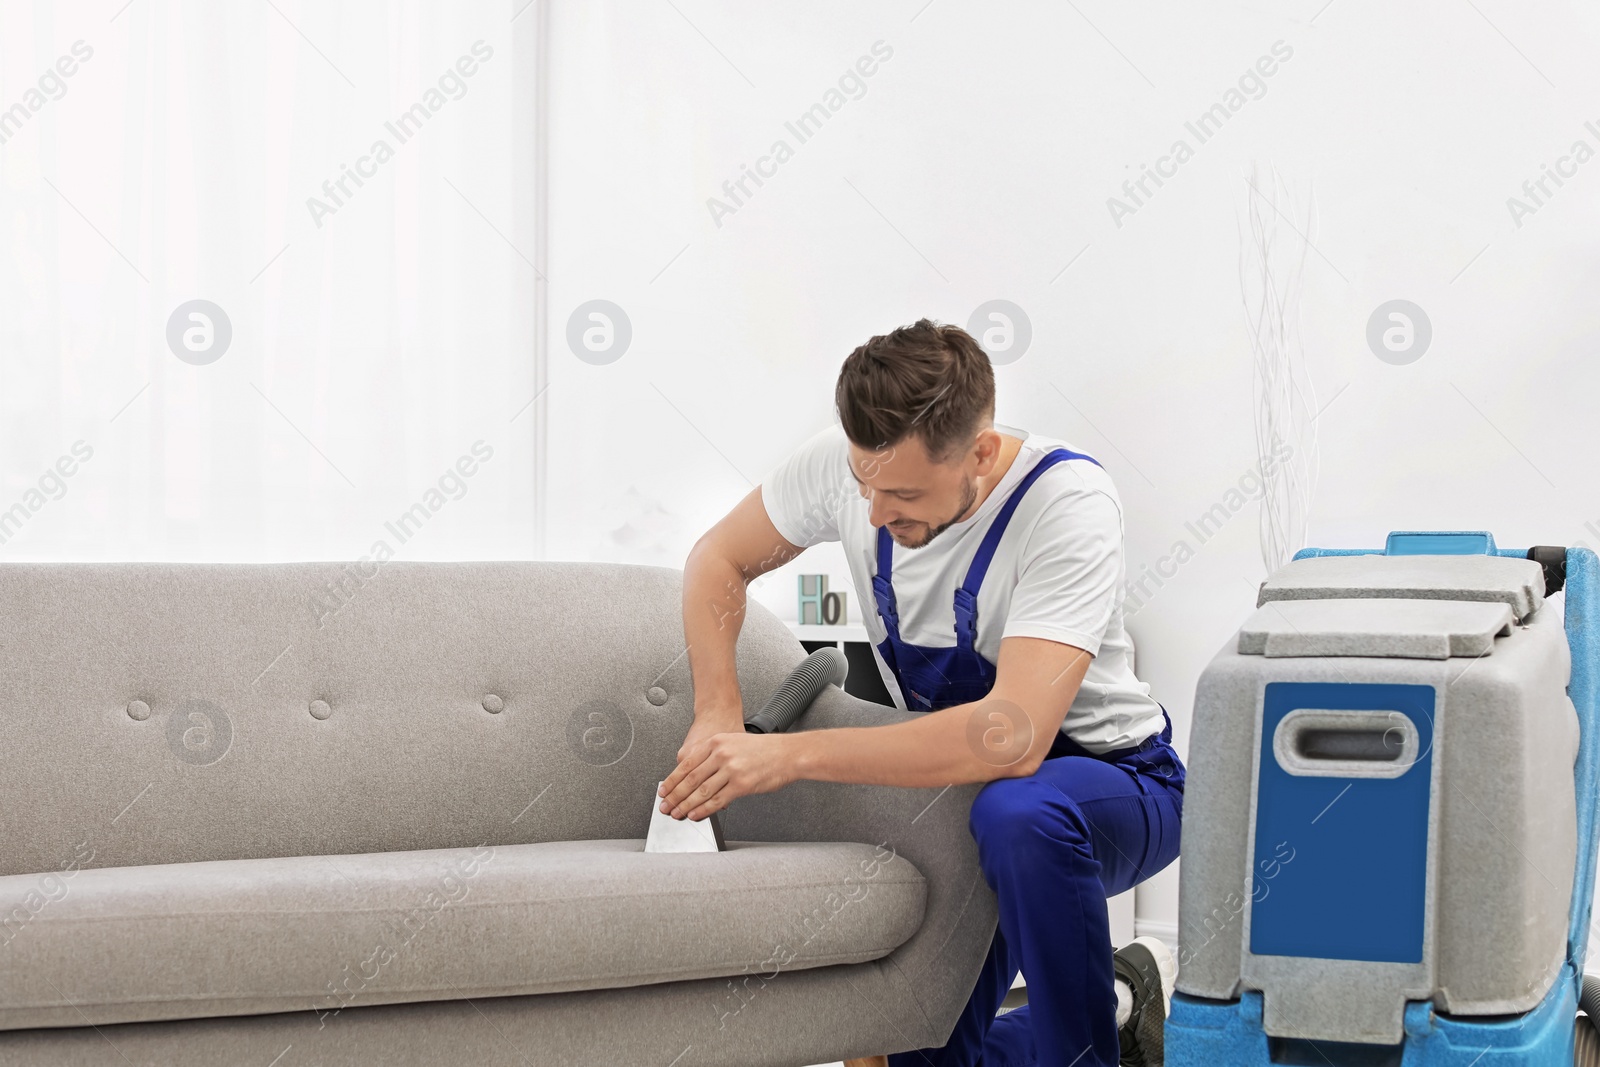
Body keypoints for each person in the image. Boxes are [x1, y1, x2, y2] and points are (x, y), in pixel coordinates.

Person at [661, 318, 1185, 1066]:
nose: (872, 513)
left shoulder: (1065, 502)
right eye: (863, 484)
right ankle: (1124, 1003)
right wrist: (714, 710)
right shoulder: (853, 470)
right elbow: (717, 559)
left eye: (902, 493)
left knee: (1022, 809)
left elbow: (1011, 736)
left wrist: (790, 758)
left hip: (1115, 784)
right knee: (920, 1054)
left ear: (978, 452)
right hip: (968, 797)